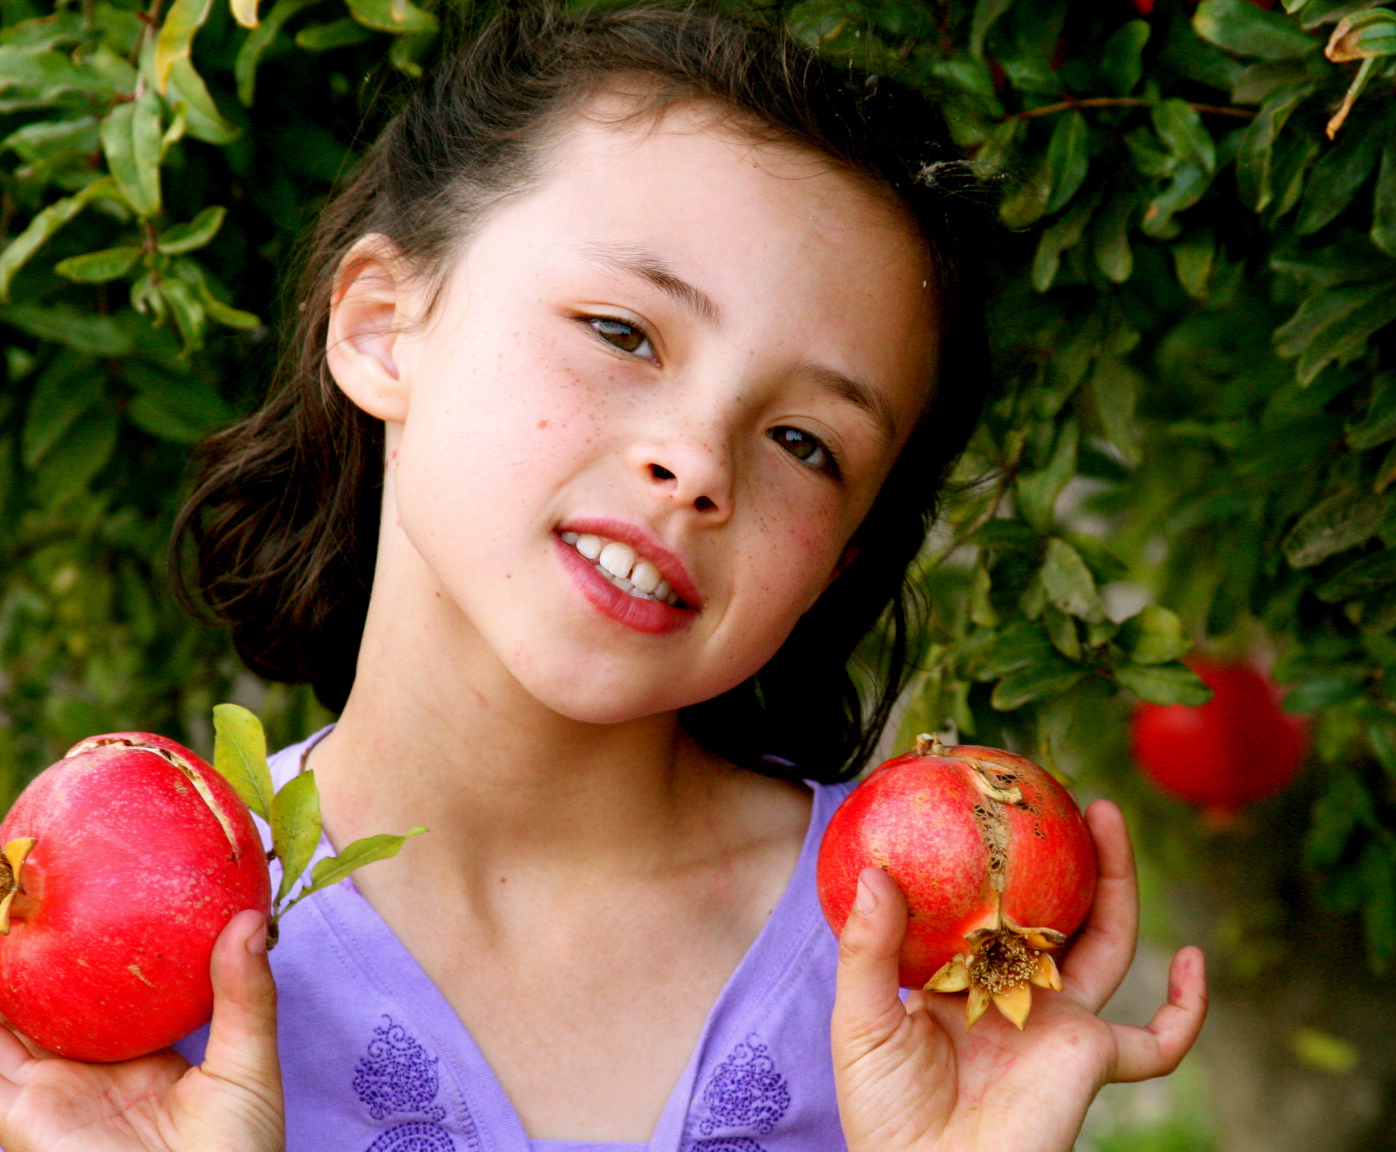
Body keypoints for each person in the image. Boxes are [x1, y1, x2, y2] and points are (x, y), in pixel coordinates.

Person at [0, 6, 1206, 1150]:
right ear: (382, 325)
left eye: (805, 443)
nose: (695, 463)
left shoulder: (916, 958)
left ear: (839, 559)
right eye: (624, 333)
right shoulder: (107, 958)